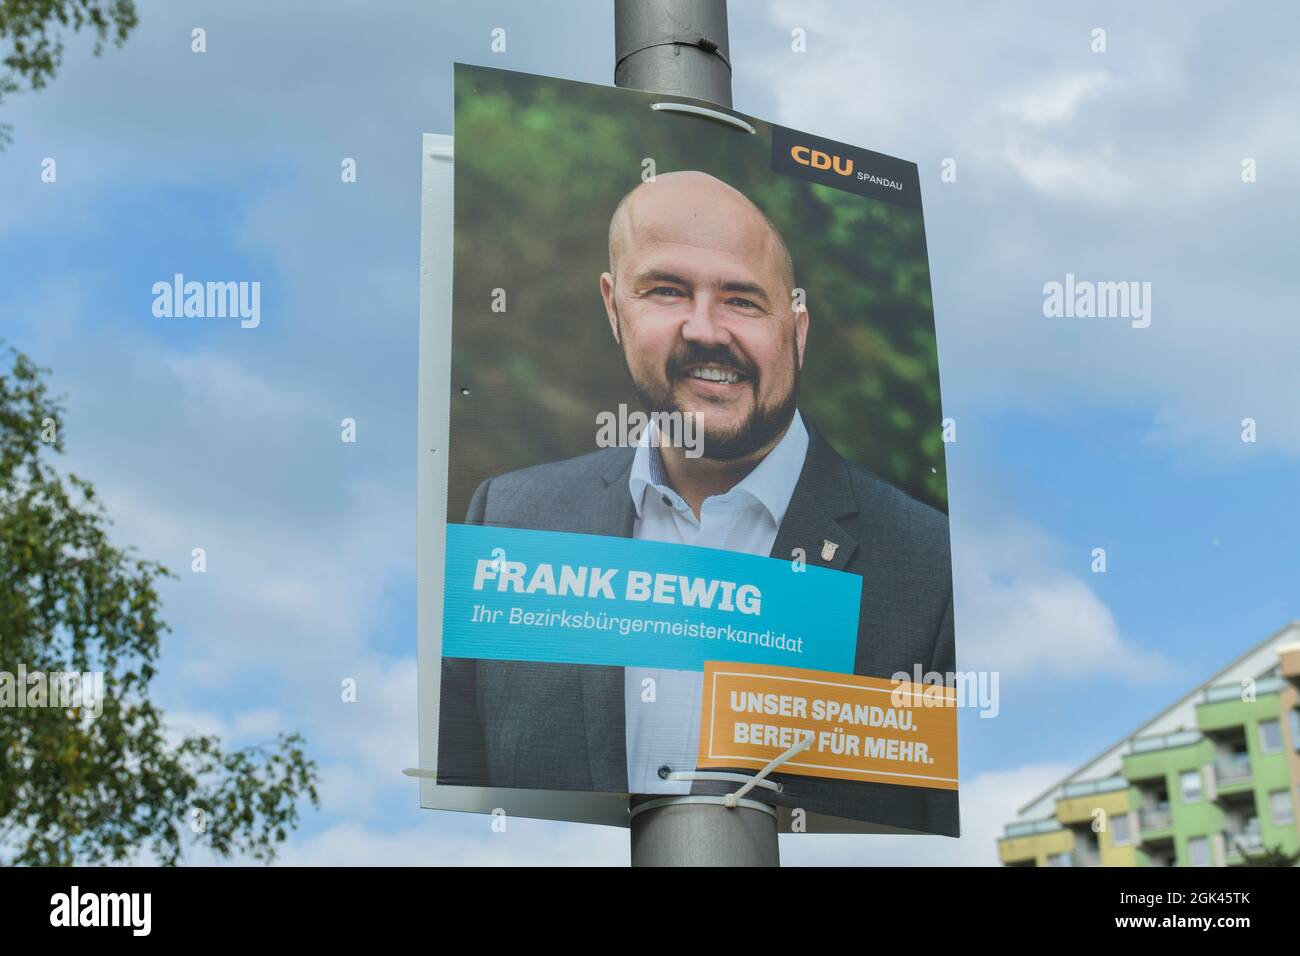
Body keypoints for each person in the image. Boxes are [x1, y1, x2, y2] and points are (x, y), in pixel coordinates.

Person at [439, 171, 956, 835]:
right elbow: (459, 821)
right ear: (613, 307)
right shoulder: (509, 521)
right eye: (666, 291)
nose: (706, 330)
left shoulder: (930, 569)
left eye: (743, 300)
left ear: (797, 330)